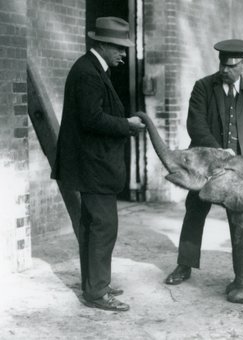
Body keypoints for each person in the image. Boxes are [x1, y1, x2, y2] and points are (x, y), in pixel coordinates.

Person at [165, 39, 243, 285]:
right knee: (194, 212)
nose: (224, 70)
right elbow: (196, 125)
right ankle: (184, 265)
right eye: (222, 64)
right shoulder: (203, 88)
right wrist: (218, 150)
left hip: (240, 171)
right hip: (206, 166)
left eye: (231, 66)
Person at [51, 17, 144, 312]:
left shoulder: (91, 69)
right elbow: (92, 119)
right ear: (101, 44)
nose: (123, 53)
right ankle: (97, 292)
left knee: (93, 228)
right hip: (93, 167)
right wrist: (126, 124)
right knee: (103, 228)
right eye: (118, 47)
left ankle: (94, 284)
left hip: (92, 165)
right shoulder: (88, 73)